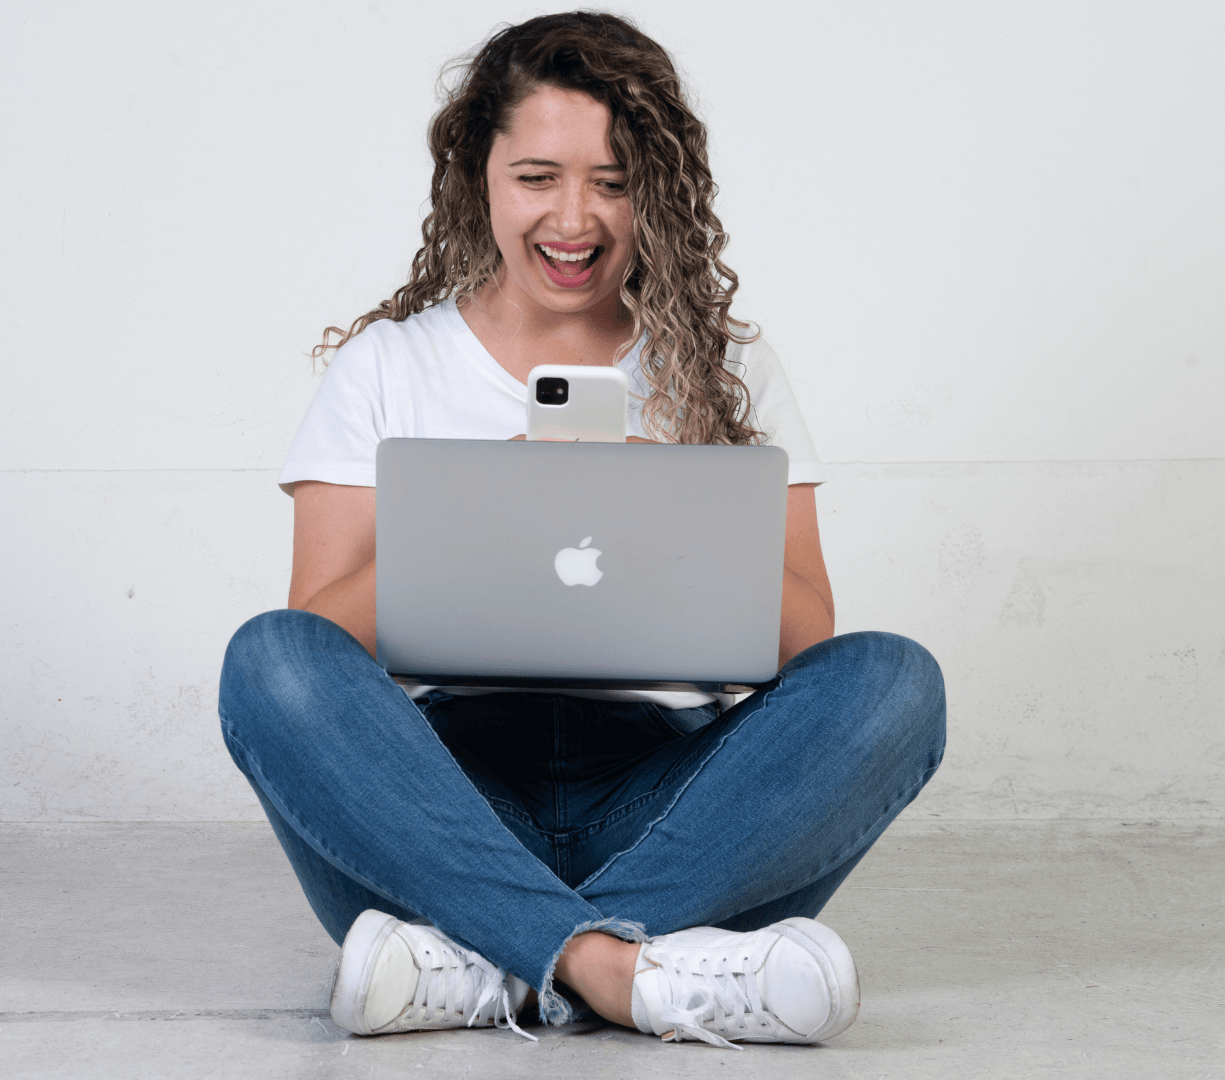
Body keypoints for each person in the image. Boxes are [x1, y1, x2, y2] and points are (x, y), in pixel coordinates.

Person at [218, 12, 945, 1049]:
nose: (575, 217)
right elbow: (315, 652)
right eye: (538, 177)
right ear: (480, 174)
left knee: (899, 682)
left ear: (660, 188)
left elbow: (814, 655)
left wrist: (678, 501)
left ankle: (485, 964)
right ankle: (628, 971)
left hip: (677, 802)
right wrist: (485, 517)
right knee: (264, 663)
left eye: (612, 180)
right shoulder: (388, 368)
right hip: (445, 800)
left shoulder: (728, 367)